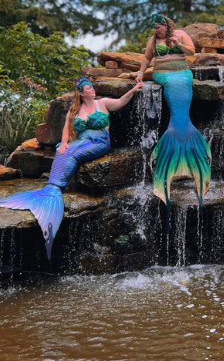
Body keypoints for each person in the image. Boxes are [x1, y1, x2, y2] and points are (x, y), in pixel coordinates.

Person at [0, 77, 143, 259]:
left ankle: (56, 188)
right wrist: (63, 143)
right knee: (64, 151)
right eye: (89, 88)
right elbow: (67, 129)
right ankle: (50, 191)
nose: (92, 90)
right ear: (82, 93)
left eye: (92, 87)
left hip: (99, 141)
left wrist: (133, 90)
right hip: (79, 141)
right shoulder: (75, 110)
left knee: (73, 154)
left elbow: (121, 101)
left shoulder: (102, 103)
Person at [136, 13, 211, 226]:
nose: (155, 31)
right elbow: (147, 59)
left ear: (166, 26)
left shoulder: (180, 34)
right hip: (163, 75)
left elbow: (192, 53)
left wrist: (179, 44)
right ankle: (177, 142)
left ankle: (184, 141)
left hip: (183, 72)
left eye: (158, 28)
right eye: (154, 28)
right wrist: (141, 73)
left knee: (183, 88)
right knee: (172, 87)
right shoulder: (153, 40)